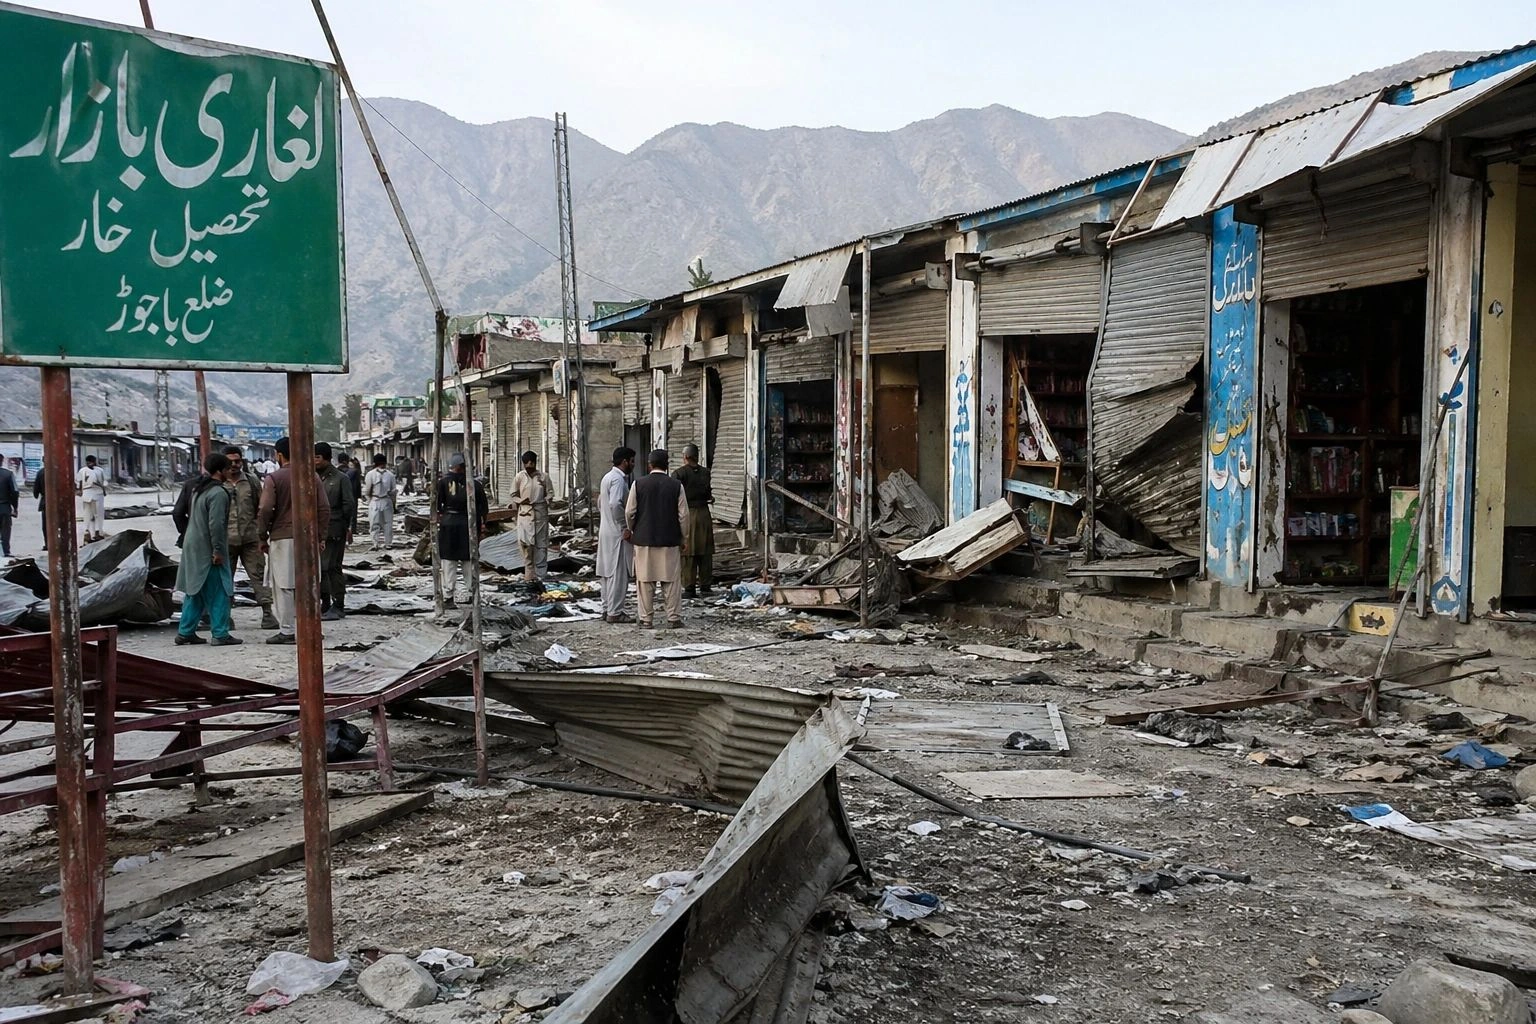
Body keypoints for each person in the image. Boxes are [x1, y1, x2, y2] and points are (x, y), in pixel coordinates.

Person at [175, 453, 240, 646]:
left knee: (195, 590)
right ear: (220, 471)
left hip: (192, 544)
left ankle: (185, 631)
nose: (231, 471)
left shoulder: (199, 490)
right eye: (228, 468)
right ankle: (220, 633)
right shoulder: (218, 493)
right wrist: (218, 551)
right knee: (220, 590)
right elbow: (216, 525)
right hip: (208, 548)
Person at [625, 448, 688, 630]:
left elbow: (630, 512)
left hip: (644, 540)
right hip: (669, 540)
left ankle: (646, 619)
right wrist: (684, 537)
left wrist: (633, 529)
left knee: (645, 582)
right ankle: (673, 618)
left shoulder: (638, 484)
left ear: (649, 464)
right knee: (671, 581)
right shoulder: (676, 486)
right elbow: (683, 516)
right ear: (667, 465)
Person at [221, 445, 278, 631]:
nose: (234, 465)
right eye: (230, 462)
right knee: (224, 579)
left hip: (250, 539)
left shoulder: (252, 481)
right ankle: (225, 616)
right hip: (225, 541)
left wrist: (262, 533)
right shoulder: (217, 483)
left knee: (259, 576)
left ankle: (267, 613)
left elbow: (260, 508)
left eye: (237, 461)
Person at [257, 438, 298, 644]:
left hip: (282, 537)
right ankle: (311, 628)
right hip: (307, 538)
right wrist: (320, 536)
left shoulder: (274, 478)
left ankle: (288, 631)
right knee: (308, 585)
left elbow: (265, 509)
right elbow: (323, 508)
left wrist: (262, 535)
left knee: (283, 585)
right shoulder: (312, 476)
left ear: (279, 455)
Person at [436, 452, 487, 606]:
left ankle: (449, 596)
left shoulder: (444, 483)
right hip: (467, 525)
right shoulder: (474, 484)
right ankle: (471, 594)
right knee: (467, 561)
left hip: (451, 525)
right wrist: (482, 527)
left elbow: (438, 507)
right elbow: (483, 509)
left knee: (451, 563)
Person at [314, 442, 356, 621]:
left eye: (317, 457)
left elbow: (349, 505)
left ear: (326, 458)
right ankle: (324, 603)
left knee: (332, 567)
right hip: (316, 529)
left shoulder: (340, 478)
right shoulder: (311, 477)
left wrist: (348, 528)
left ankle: (338, 604)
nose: (314, 461)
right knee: (319, 568)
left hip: (334, 528)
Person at [597, 447, 636, 623]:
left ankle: (607, 609)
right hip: (616, 533)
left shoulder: (607, 477)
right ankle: (615, 612)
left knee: (607, 573)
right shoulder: (618, 480)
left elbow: (601, 503)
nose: (633, 464)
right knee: (618, 574)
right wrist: (624, 526)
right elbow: (615, 504)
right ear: (625, 461)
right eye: (632, 461)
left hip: (606, 529)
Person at [673, 443, 715, 598]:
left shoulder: (679, 473)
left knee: (688, 551)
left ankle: (689, 587)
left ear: (685, 457)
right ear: (697, 456)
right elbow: (708, 493)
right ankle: (706, 585)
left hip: (688, 513)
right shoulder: (706, 472)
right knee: (706, 550)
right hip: (704, 513)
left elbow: (675, 495)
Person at [508, 450, 551, 585]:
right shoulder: (520, 477)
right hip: (525, 514)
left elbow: (550, 493)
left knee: (541, 545)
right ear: (524, 463)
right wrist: (521, 501)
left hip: (540, 514)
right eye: (527, 463)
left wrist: (546, 500)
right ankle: (529, 575)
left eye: (532, 463)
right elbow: (513, 494)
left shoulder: (543, 477)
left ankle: (541, 577)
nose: (530, 465)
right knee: (526, 545)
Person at [363, 454, 397, 550]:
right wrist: (394, 503)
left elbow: (367, 491)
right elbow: (393, 492)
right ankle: (380, 543)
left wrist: (369, 500)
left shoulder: (387, 475)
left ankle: (381, 543)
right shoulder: (388, 475)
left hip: (380, 500)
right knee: (381, 523)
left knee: (381, 523)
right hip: (380, 500)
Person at [75, 454, 107, 543]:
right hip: (95, 493)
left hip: (90, 493)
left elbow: (78, 482)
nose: (90, 464)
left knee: (91, 514)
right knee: (95, 514)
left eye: (90, 462)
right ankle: (95, 532)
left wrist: (79, 490)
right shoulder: (99, 470)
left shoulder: (83, 470)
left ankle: (92, 532)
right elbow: (104, 482)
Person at [0, 461, 18, 558]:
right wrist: (15, 507)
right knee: (5, 531)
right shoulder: (8, 474)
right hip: (4, 507)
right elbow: (15, 491)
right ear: (2, 461)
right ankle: (6, 551)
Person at [32, 467, 45, 551]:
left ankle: (48, 544)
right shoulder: (58, 470)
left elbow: (36, 486)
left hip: (45, 501)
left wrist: (36, 494)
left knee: (46, 524)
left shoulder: (41, 472)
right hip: (59, 500)